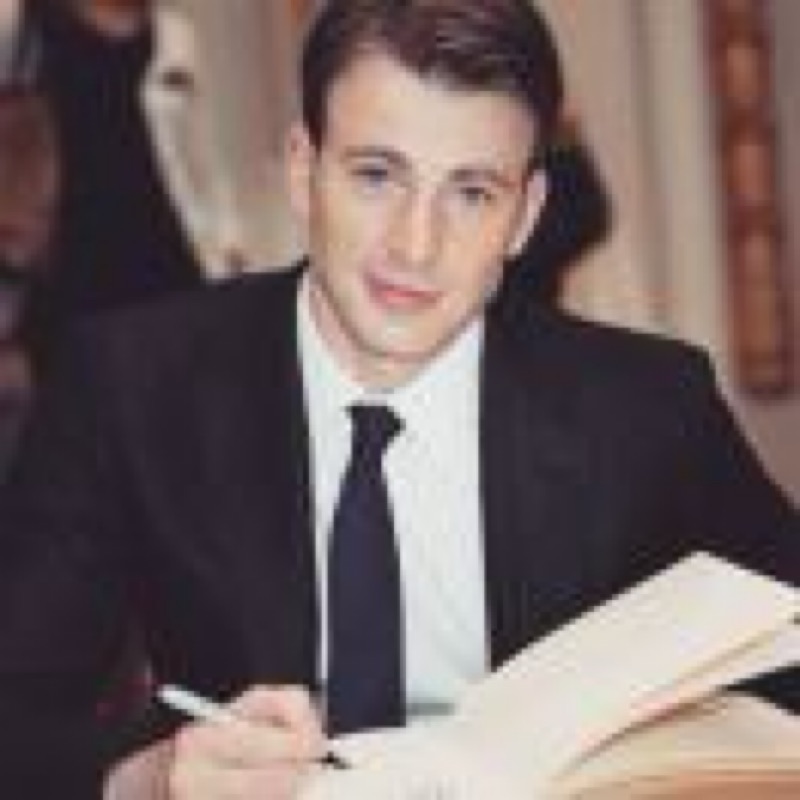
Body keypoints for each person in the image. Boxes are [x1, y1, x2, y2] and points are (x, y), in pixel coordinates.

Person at [0, 0, 798, 798]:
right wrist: (145, 780)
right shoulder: (133, 384)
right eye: (377, 176)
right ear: (303, 169)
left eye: (472, 193)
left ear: (526, 217)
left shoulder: (648, 408)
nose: (416, 246)